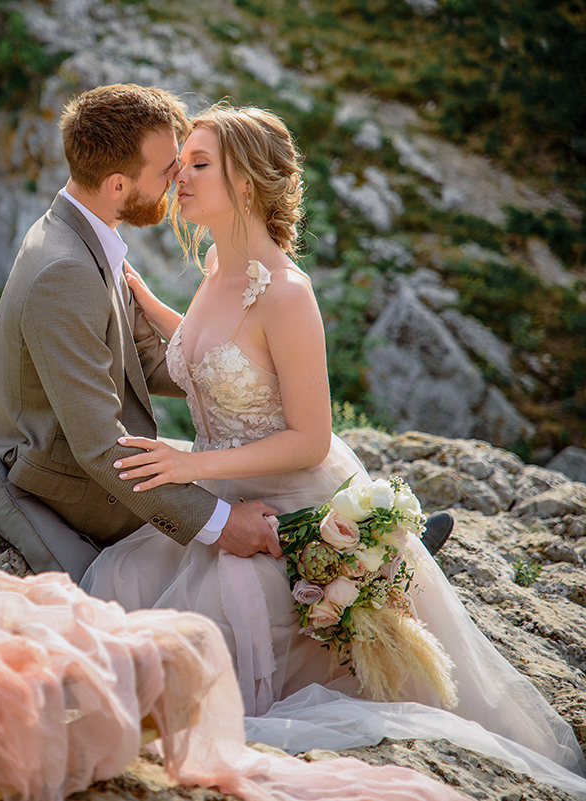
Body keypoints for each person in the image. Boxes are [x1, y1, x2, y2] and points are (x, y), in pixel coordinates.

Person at [80, 102, 586, 792]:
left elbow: (309, 436)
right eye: (181, 164)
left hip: (292, 497)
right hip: (230, 493)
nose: (179, 177)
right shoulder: (217, 273)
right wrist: (144, 302)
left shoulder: (287, 294)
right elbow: (212, 355)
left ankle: (383, 567)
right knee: (123, 578)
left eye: (199, 165)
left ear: (247, 184)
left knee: (215, 630)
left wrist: (193, 464)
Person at [0, 84, 279, 580]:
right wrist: (222, 525)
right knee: (238, 512)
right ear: (118, 185)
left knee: (244, 464)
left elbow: (147, 362)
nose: (179, 178)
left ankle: (355, 536)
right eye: (166, 170)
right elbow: (99, 448)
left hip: (94, 460)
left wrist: (252, 378)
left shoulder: (87, 231)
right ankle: (345, 553)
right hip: (74, 485)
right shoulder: (65, 272)